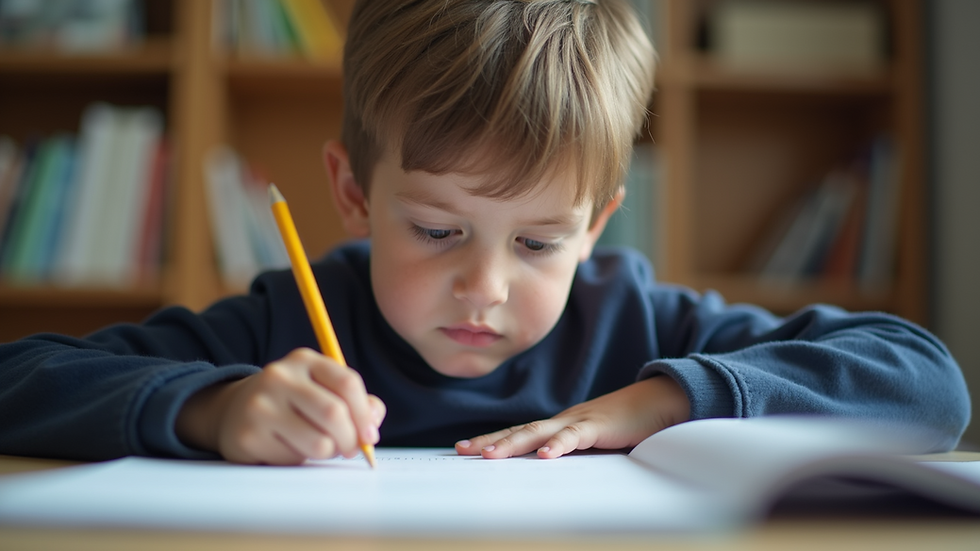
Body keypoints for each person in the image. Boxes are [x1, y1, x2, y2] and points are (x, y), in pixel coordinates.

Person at [0, 0, 970, 465]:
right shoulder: (289, 323)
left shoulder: (634, 325)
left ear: (595, 223)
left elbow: (924, 382)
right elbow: (19, 377)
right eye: (435, 228)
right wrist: (210, 406)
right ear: (351, 192)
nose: (485, 286)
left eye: (538, 242)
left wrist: (662, 399)